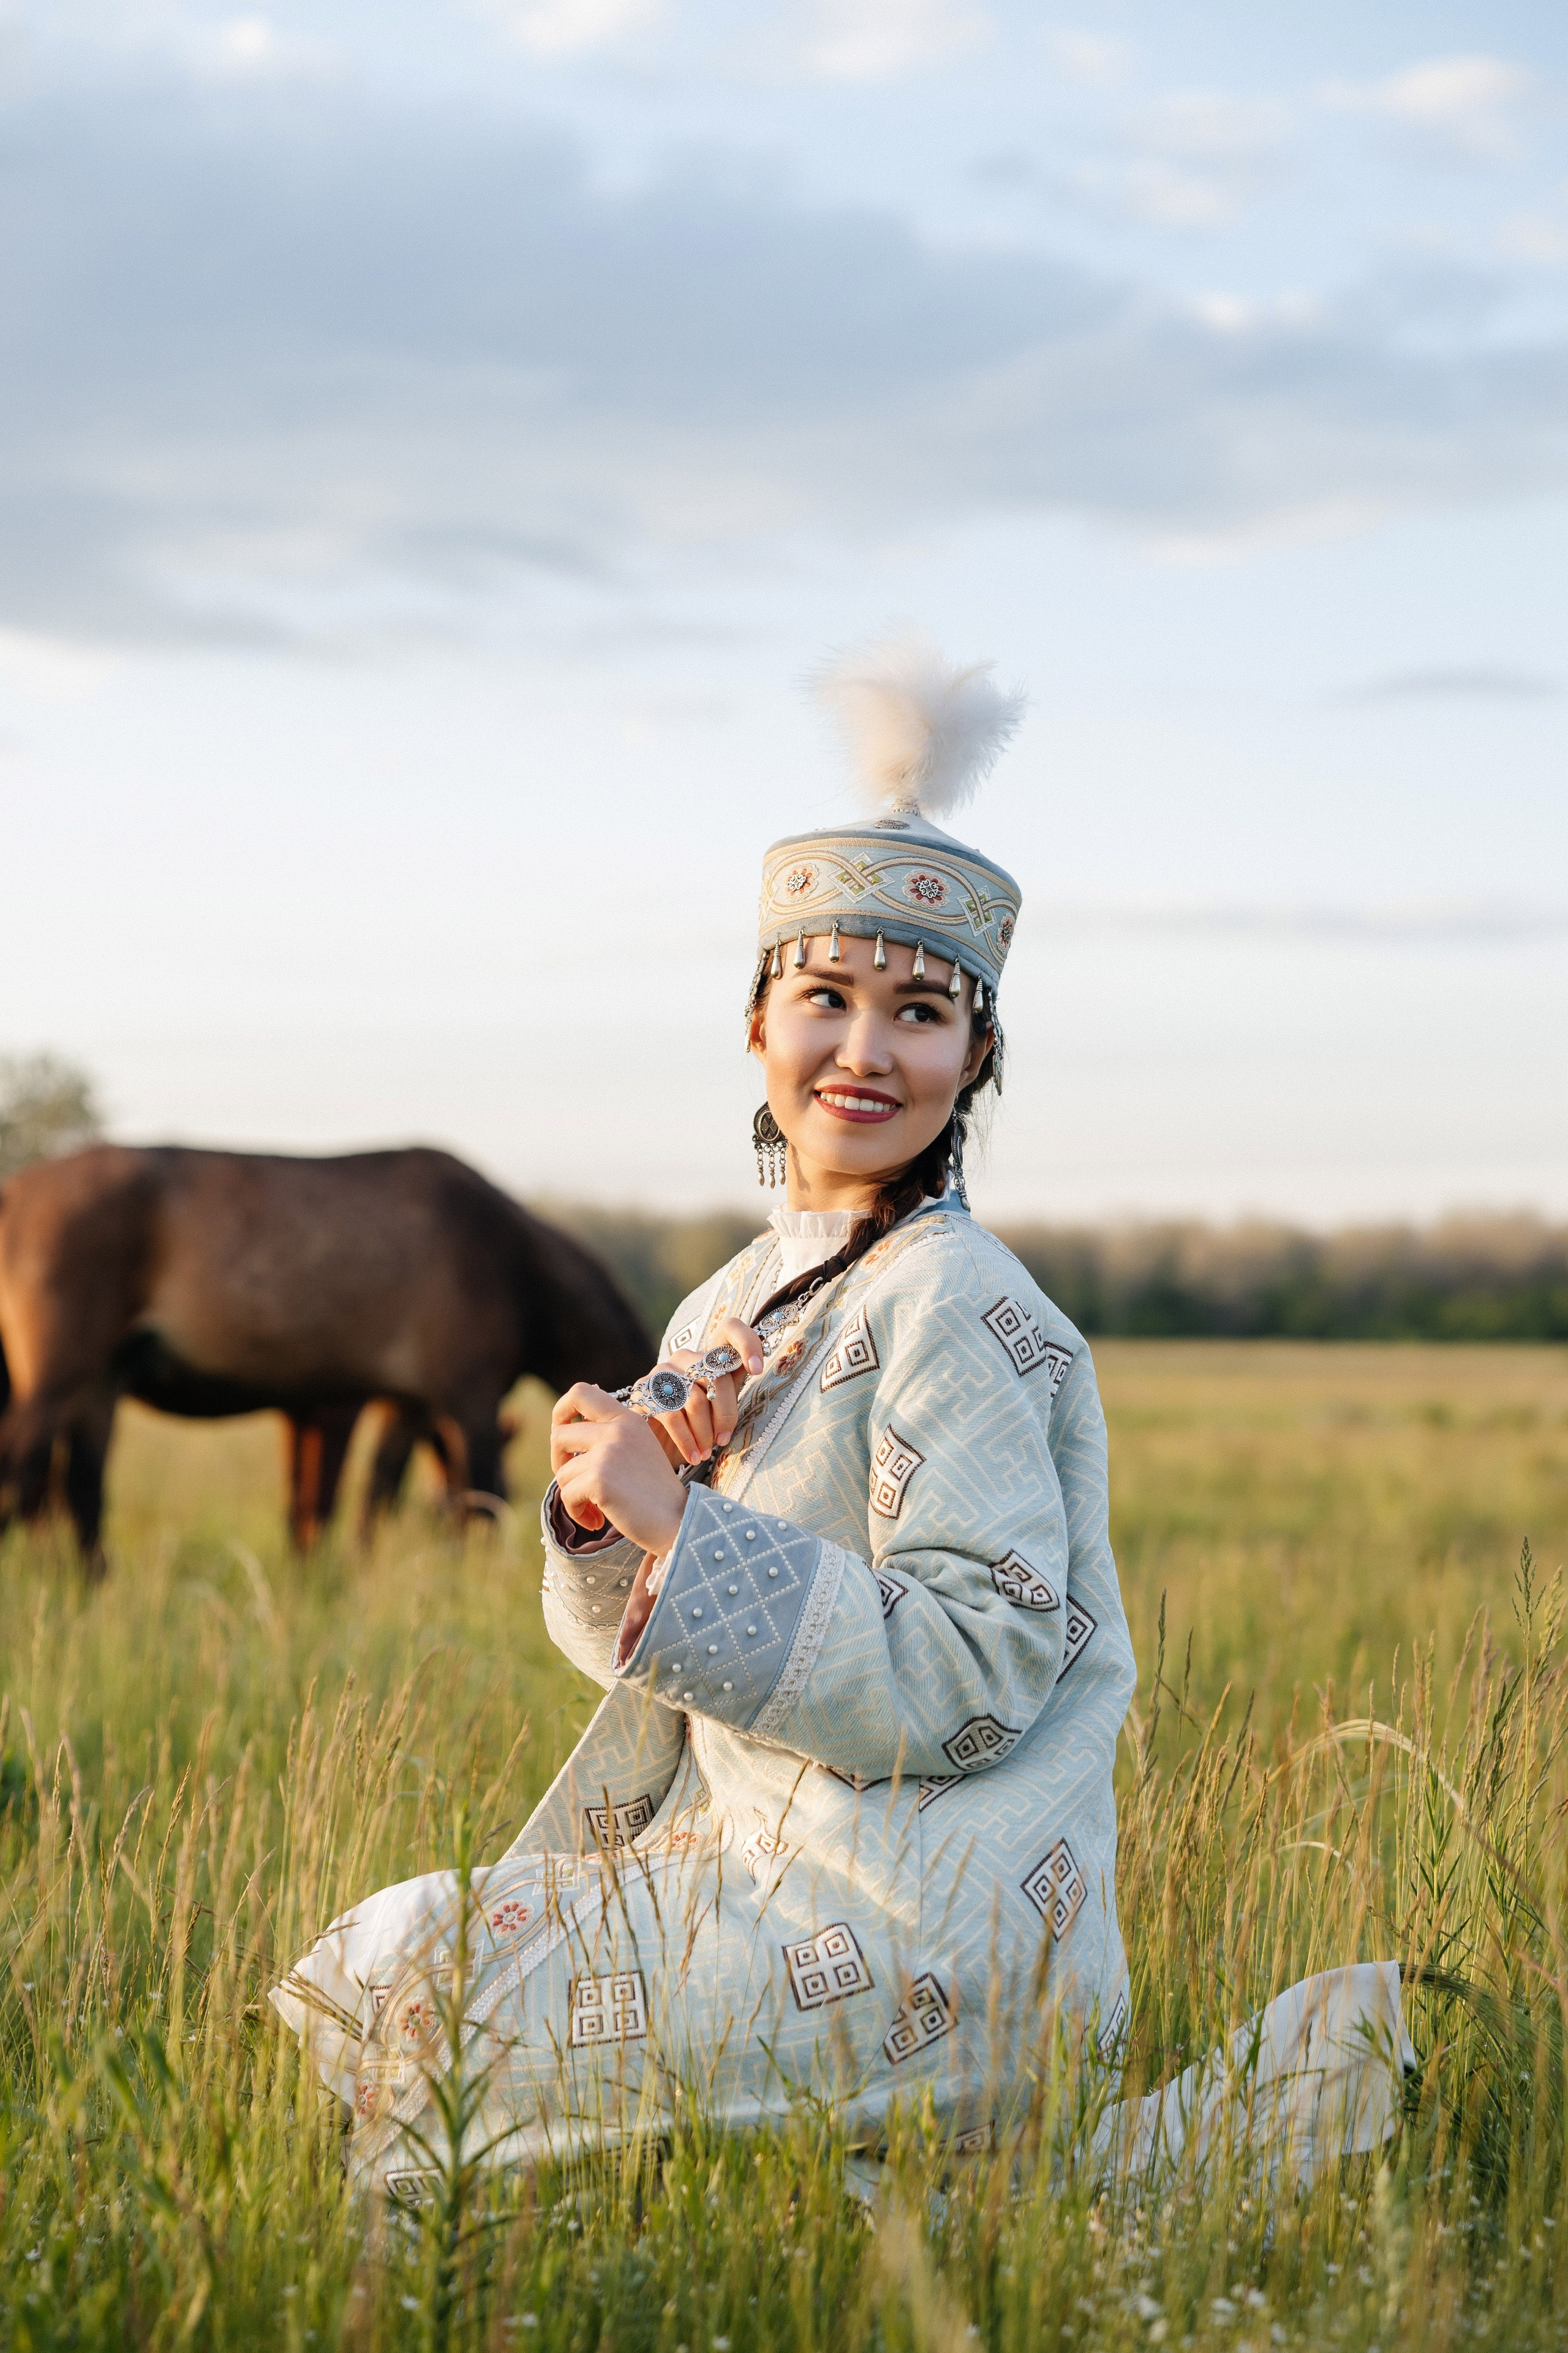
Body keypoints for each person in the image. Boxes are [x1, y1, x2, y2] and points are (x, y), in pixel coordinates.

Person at [272, 634, 1411, 2199]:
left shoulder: (967, 1306)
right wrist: (604, 1520)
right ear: (756, 1023)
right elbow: (635, 1644)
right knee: (406, 1948)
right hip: (746, 1869)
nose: (866, 1050)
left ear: (976, 1058)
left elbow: (980, 1669)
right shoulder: (733, 1300)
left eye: (921, 1014)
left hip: (924, 1922)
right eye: (825, 997)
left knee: (459, 2039)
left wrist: (689, 1525)